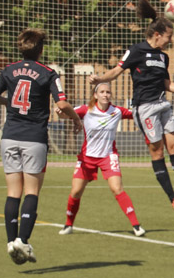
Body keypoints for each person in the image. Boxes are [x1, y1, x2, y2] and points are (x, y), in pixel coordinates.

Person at [89, 0, 174, 216]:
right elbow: (116, 71)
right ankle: (173, 198)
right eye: (169, 37)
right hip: (145, 108)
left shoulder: (163, 57)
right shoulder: (136, 51)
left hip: (163, 104)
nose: (170, 41)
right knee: (158, 151)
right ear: (157, 35)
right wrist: (99, 80)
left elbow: (166, 84)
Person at [0, 28, 81, 265]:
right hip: (34, 138)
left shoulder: (8, 70)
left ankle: (11, 241)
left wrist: (9, 102)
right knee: (32, 191)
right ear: (41, 49)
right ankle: (23, 240)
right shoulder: (48, 73)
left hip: (9, 136)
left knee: (12, 192)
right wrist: (75, 118)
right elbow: (61, 102)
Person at [59, 82, 144, 236]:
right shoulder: (86, 109)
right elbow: (66, 113)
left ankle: (136, 226)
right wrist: (60, 112)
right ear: (95, 95)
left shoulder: (117, 111)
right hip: (87, 157)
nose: (105, 95)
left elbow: (138, 114)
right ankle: (68, 225)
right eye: (102, 92)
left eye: (108, 92)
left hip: (108, 156)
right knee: (76, 191)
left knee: (117, 189)